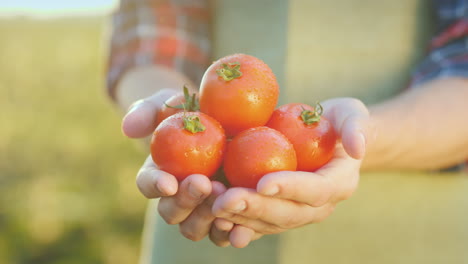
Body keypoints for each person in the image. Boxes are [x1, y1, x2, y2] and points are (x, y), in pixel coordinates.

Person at [107, 0, 468, 263]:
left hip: (406, 234)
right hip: (203, 214)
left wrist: (357, 138)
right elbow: (152, 33)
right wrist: (167, 118)